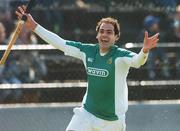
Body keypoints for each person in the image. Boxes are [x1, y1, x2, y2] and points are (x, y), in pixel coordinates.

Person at [16, 5, 159, 131]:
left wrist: (144, 51)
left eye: (109, 32)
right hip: (87, 113)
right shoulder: (88, 51)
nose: (104, 34)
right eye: (102, 31)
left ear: (116, 37)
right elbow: (61, 43)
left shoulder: (120, 56)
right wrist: (35, 27)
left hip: (112, 122)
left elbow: (137, 61)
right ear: (97, 35)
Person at [138, 15, 170, 79]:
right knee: (151, 56)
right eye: (155, 23)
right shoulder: (144, 33)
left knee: (164, 56)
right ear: (150, 25)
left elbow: (162, 42)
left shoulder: (159, 32)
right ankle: (151, 75)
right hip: (149, 53)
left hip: (159, 52)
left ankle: (166, 73)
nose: (157, 24)